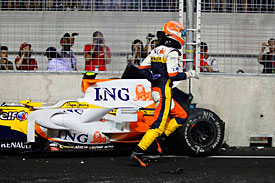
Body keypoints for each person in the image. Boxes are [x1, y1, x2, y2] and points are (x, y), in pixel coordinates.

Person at [129, 21, 199, 167]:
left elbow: (141, 69)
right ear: (175, 33)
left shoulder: (156, 49)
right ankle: (137, 153)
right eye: (182, 33)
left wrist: (152, 77)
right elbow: (173, 75)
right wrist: (189, 74)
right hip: (163, 93)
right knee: (158, 125)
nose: (183, 36)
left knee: (181, 115)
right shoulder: (172, 52)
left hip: (156, 90)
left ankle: (159, 139)